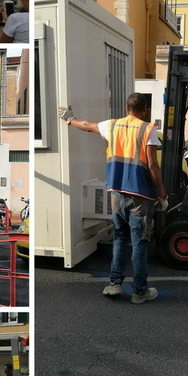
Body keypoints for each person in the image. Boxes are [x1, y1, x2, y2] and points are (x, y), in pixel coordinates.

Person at [58, 93, 168, 304]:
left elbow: (86, 125)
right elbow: (153, 166)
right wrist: (162, 194)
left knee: (119, 236)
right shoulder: (148, 129)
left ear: (127, 108)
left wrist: (69, 118)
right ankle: (139, 292)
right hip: (140, 195)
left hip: (116, 192)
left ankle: (114, 284)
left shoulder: (113, 125)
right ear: (144, 110)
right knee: (140, 242)